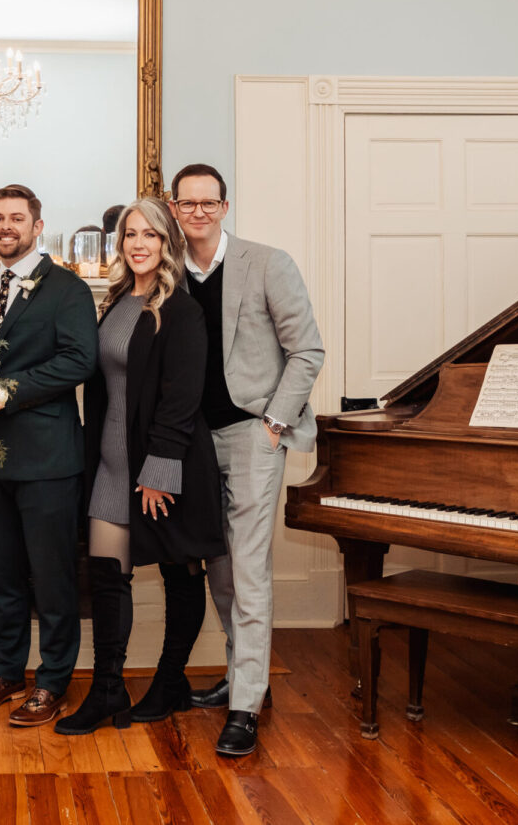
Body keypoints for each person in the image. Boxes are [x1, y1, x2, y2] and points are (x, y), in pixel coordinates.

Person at [167, 163, 325, 758]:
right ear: (175, 209)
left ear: (225, 207)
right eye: (189, 204)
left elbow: (307, 349)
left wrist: (274, 425)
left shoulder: (267, 262)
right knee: (220, 569)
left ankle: (245, 707)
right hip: (191, 443)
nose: (199, 212)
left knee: (250, 568)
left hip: (252, 434)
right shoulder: (167, 272)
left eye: (210, 203)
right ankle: (245, 678)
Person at [56, 197, 226, 735]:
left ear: (166, 241)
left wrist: (160, 469)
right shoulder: (113, 300)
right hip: (110, 462)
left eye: (149, 234)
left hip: (163, 462)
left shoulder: (182, 308)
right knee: (108, 576)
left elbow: (182, 396)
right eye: (129, 234)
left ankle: (170, 677)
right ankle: (108, 688)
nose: (138, 243)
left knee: (180, 570)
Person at [0, 185, 98, 727]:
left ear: (37, 226)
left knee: (52, 577)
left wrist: (9, 390)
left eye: (16, 218)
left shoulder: (66, 287)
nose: (6, 227)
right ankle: (5, 670)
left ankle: (52, 682)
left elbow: (79, 360)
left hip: (47, 458)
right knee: (0, 574)